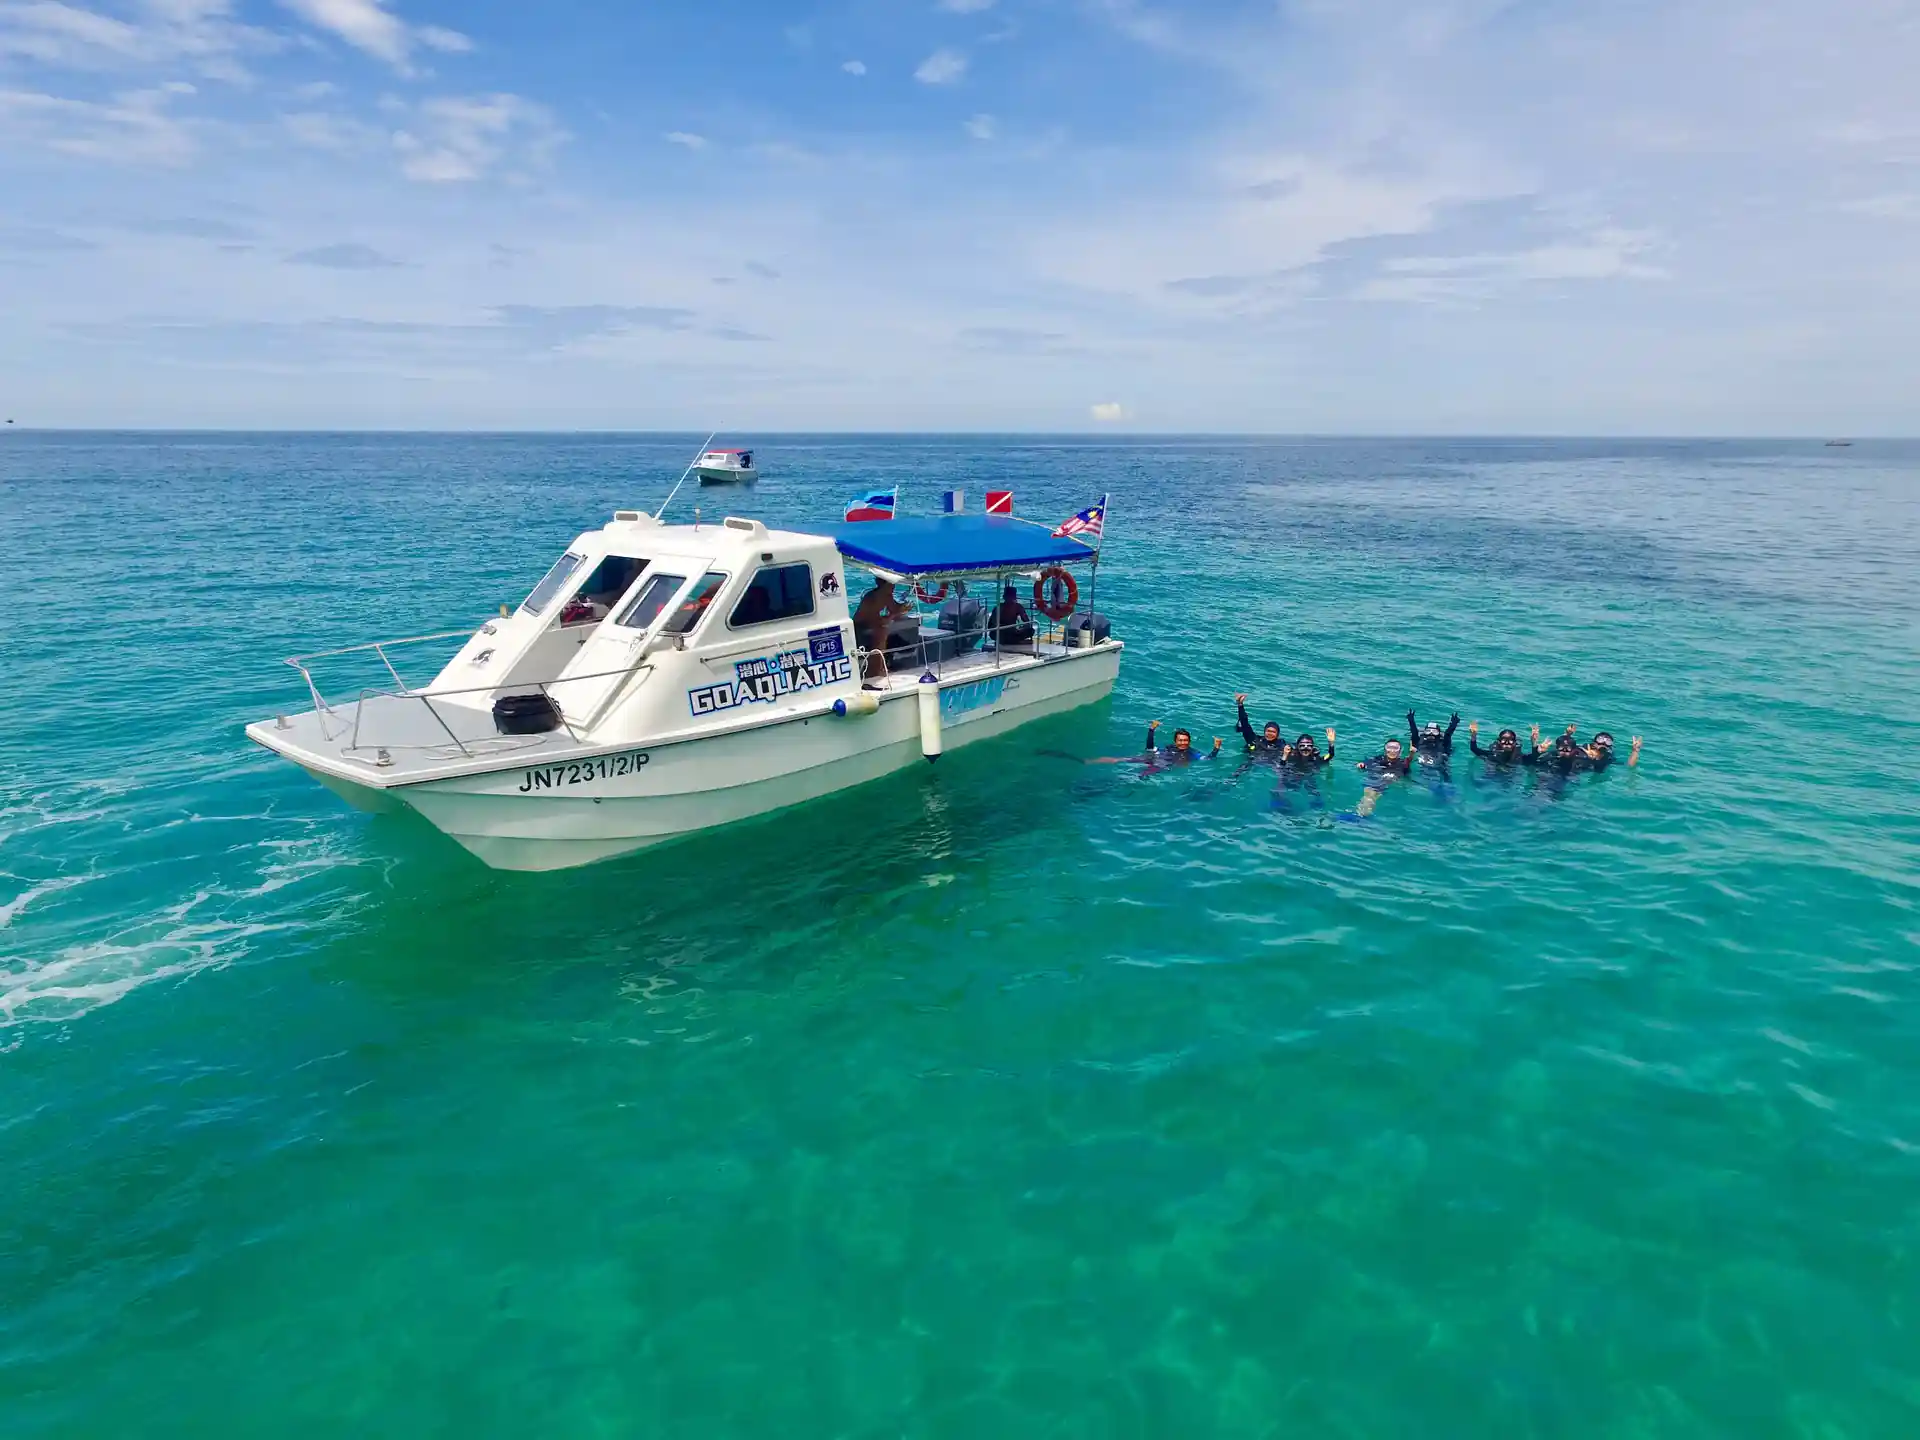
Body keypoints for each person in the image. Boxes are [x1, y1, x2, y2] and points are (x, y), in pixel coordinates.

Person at [853, 574, 912, 683]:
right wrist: (895, 614)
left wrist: (903, 607)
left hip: (872, 624)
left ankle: (882, 665)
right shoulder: (873, 597)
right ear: (883, 584)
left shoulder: (887, 596)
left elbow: (894, 609)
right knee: (880, 633)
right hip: (860, 627)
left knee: (882, 631)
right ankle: (874, 671)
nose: (893, 587)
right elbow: (875, 619)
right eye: (891, 584)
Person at [1351, 736, 1413, 817]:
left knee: (1371, 795)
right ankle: (1361, 815)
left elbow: (1406, 776)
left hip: (1389, 781)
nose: (1392, 750)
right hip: (1376, 779)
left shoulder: (1403, 763)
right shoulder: (1379, 758)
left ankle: (1360, 815)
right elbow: (1366, 762)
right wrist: (1361, 764)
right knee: (1370, 794)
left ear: (1400, 751)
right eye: (1389, 747)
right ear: (1385, 750)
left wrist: (1411, 755)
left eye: (1395, 748)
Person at [1468, 721, 1541, 768]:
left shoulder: (1519, 757)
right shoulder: (1493, 754)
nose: (1507, 743)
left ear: (1514, 743)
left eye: (1510, 741)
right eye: (1503, 740)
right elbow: (1474, 749)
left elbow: (1534, 757)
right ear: (1499, 742)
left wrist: (1534, 743)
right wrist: (1473, 736)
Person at [987, 583, 1034, 648]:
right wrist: (1013, 629)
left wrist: (1019, 629)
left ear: (1004, 597)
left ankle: (1010, 641)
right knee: (1030, 631)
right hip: (1003, 633)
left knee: (1030, 630)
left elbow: (1027, 623)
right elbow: (992, 625)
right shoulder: (1001, 608)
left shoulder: (1017, 607)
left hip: (1007, 634)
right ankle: (1015, 641)